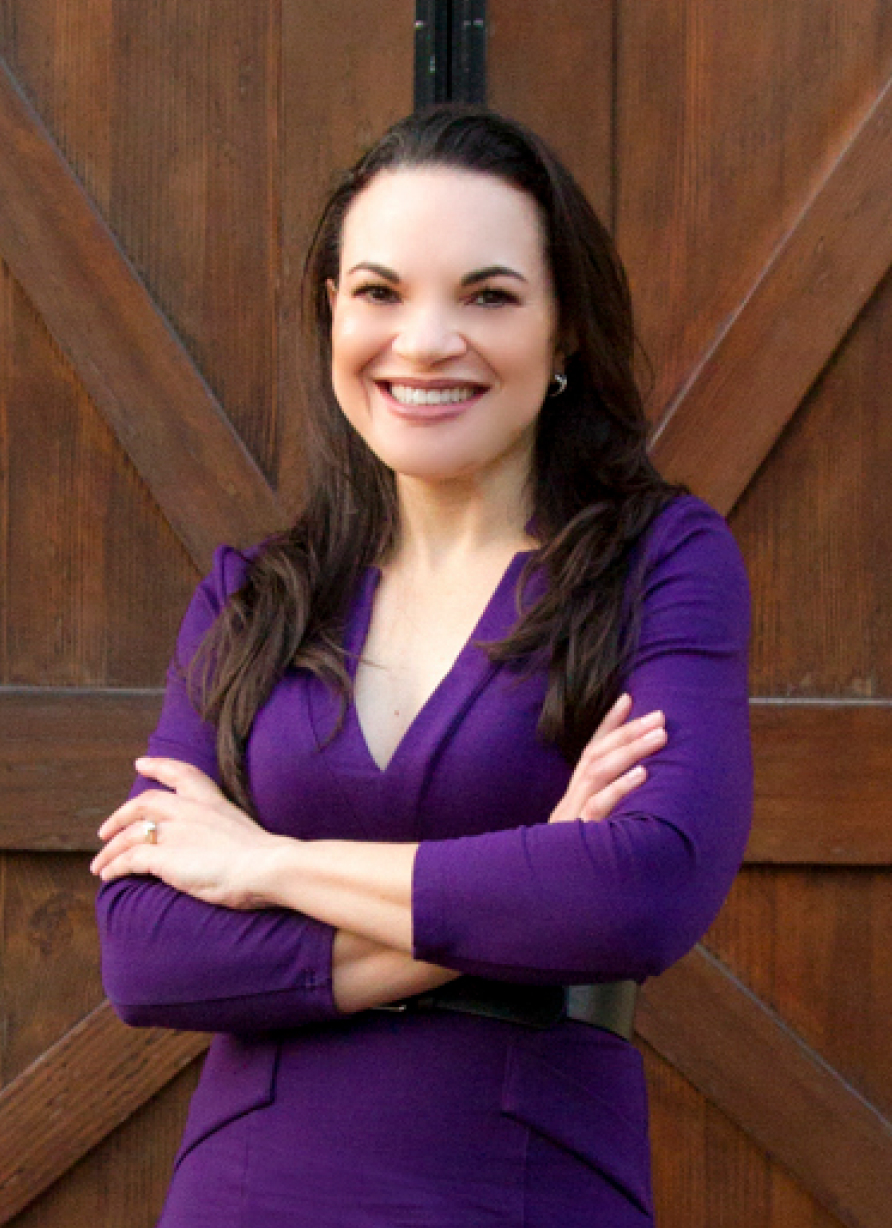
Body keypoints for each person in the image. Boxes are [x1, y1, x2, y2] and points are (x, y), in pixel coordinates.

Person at [92, 106, 752, 1227]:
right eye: (379, 291)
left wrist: (267, 863)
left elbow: (640, 894)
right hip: (249, 1188)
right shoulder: (254, 596)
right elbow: (150, 957)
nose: (424, 340)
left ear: (567, 332)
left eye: (488, 296)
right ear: (331, 314)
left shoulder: (661, 561)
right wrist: (529, 878)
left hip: (524, 1182)